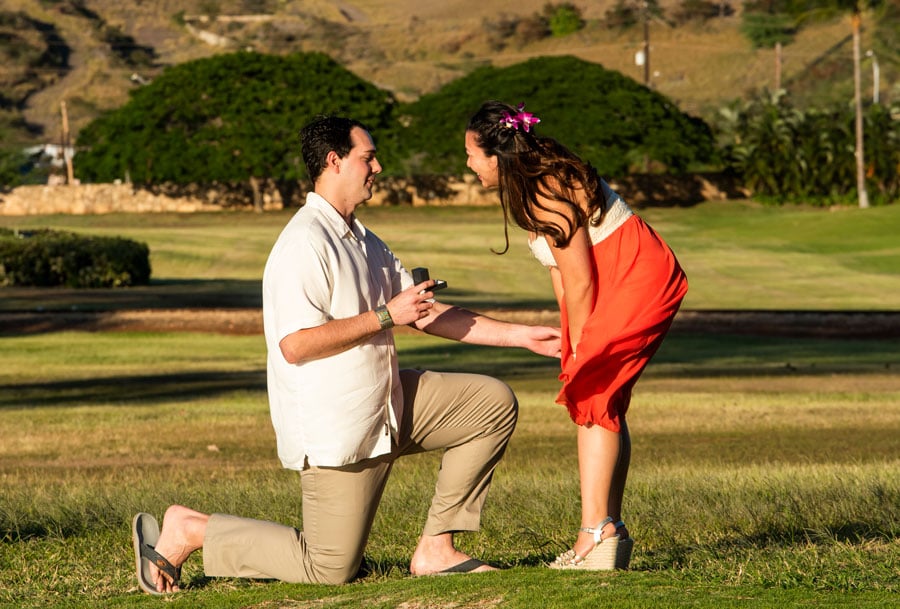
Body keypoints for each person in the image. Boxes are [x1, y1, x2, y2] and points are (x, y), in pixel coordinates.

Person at [131, 115, 562, 594]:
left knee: (491, 404)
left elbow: (419, 312)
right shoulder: (303, 243)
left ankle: (437, 549)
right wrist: (384, 315)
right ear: (334, 161)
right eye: (368, 157)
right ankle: (190, 529)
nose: (379, 166)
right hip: (340, 429)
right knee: (330, 569)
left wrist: (523, 336)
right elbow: (296, 344)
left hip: (390, 405)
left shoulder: (364, 239)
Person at [464, 101, 688, 570]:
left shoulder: (542, 191)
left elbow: (582, 278)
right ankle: (610, 528)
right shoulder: (533, 182)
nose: (467, 164)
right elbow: (562, 272)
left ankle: (593, 535)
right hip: (619, 276)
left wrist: (583, 347)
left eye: (471, 154)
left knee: (590, 396)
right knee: (599, 398)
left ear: (496, 155)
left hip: (633, 275)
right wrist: (572, 338)